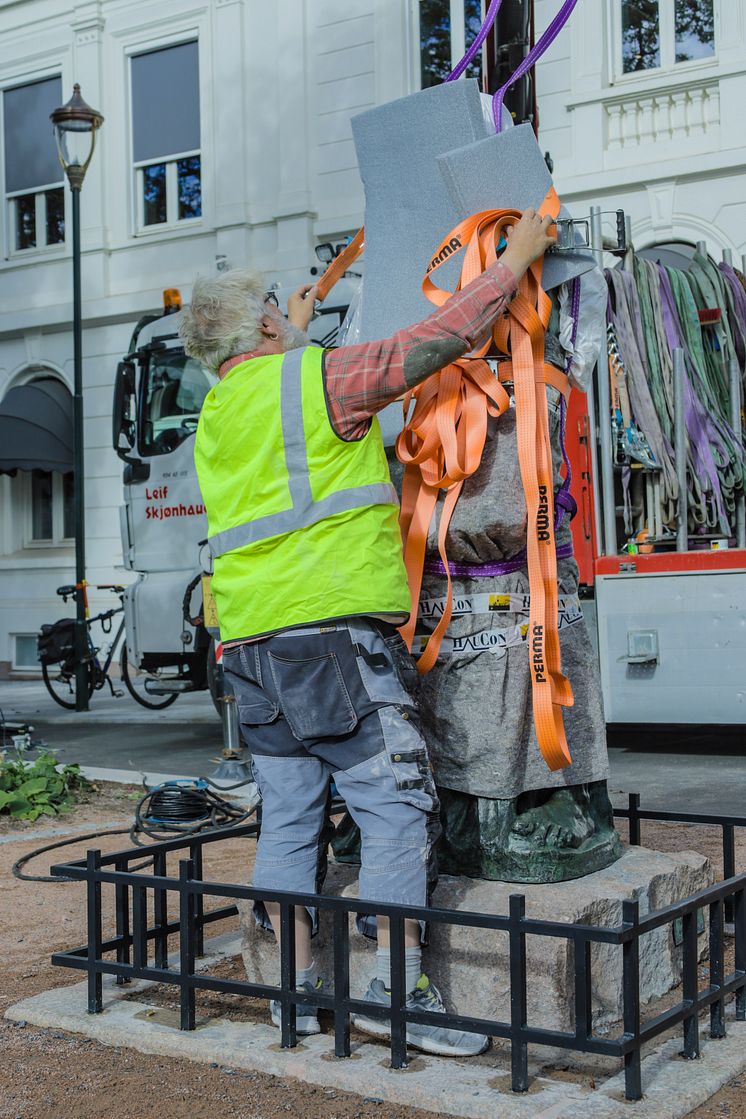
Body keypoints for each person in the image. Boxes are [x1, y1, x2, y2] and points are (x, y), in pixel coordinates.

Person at [180, 210, 554, 1056]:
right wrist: (515, 262)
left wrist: (291, 329)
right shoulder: (321, 381)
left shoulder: (216, 412)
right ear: (268, 322)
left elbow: (268, 393)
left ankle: (290, 992)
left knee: (288, 819)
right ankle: (398, 996)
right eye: (278, 304)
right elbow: (439, 337)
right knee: (394, 808)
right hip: (330, 636)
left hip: (247, 648)